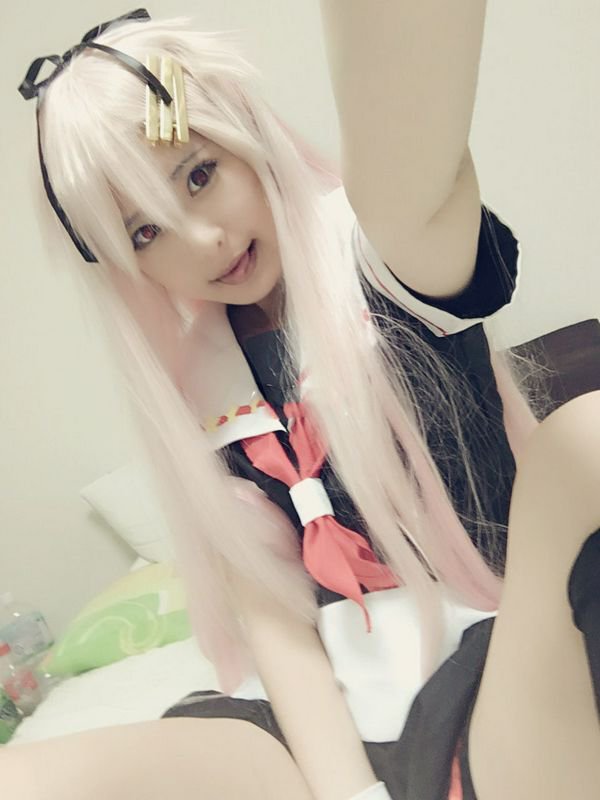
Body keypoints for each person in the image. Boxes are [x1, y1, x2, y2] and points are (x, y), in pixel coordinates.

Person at [5, 6, 600, 799]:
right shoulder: (204, 397)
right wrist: (350, 793)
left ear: (245, 135)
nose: (202, 240)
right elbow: (278, 624)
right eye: (145, 234)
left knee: (584, 436)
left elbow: (417, 174)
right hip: (317, 723)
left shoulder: (386, 265)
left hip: (489, 664)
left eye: (199, 174)